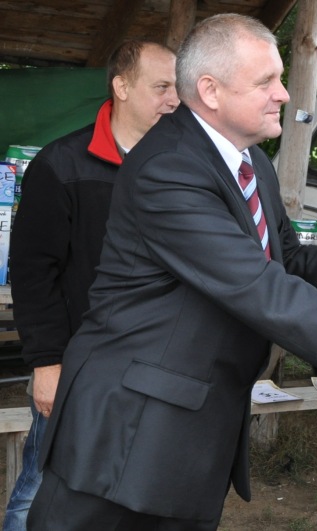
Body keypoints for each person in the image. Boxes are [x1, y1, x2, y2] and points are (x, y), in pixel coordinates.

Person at [26, 13, 317, 531]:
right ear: (210, 91)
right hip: (125, 436)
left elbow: (286, 262)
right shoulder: (168, 167)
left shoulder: (250, 162)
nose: (284, 94)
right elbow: (258, 287)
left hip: (190, 431)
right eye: (265, 81)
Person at [3, 39, 179, 531]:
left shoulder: (181, 167)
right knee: (43, 488)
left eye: (178, 89)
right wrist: (46, 363)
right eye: (162, 87)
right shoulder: (60, 165)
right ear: (121, 86)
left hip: (158, 366)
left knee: (135, 497)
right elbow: (33, 273)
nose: (174, 100)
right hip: (81, 368)